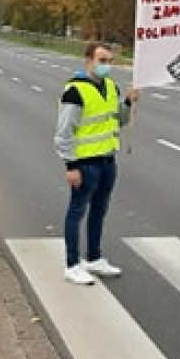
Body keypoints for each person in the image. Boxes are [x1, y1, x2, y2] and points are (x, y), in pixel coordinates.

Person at [55, 42, 139, 285]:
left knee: (99, 210)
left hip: (107, 160)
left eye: (109, 61)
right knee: (77, 210)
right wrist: (70, 166)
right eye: (102, 60)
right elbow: (64, 132)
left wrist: (128, 103)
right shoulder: (74, 90)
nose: (106, 66)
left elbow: (118, 120)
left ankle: (94, 257)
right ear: (88, 60)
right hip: (84, 162)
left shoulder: (111, 87)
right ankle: (72, 264)